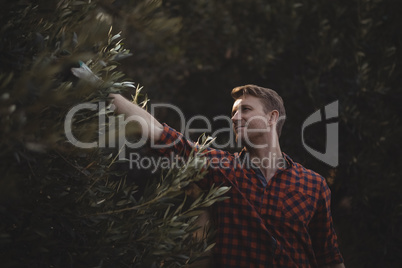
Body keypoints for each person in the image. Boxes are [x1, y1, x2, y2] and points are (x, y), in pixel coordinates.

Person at [110, 85, 345, 267]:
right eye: (233, 112)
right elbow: (161, 134)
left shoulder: (314, 185)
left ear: (272, 118)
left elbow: (330, 259)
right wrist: (103, 90)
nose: (234, 118)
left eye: (245, 109)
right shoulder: (222, 168)